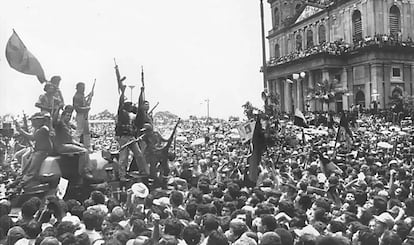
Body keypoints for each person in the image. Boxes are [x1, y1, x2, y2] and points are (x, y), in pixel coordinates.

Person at [115, 85, 149, 182]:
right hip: (123, 137)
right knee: (124, 157)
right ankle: (122, 175)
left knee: (138, 154)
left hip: (131, 137)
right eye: (129, 105)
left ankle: (143, 171)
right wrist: (123, 92)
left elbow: (140, 109)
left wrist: (141, 93)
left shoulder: (131, 116)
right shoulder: (121, 114)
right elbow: (120, 103)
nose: (131, 107)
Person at [14, 112, 53, 191]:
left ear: (39, 121)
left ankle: (21, 185)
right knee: (26, 167)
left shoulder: (43, 129)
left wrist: (20, 130)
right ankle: (18, 181)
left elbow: (32, 137)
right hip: (38, 151)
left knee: (31, 169)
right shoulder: (39, 129)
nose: (32, 123)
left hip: (42, 152)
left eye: (33, 121)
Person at [53, 105, 94, 181]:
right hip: (61, 146)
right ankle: (84, 171)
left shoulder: (67, 125)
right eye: (67, 116)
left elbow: (71, 139)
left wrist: (79, 144)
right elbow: (54, 120)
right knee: (84, 152)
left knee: (84, 148)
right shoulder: (59, 123)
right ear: (63, 116)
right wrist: (58, 108)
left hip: (67, 145)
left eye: (70, 116)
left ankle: (85, 170)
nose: (69, 117)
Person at [73, 82, 91, 151]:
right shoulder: (77, 96)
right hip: (80, 114)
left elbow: (85, 104)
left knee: (86, 131)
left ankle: (87, 146)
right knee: (79, 131)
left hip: (84, 115)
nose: (83, 89)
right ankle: (75, 144)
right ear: (77, 88)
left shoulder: (81, 96)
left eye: (84, 87)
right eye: (82, 87)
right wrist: (86, 109)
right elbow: (77, 108)